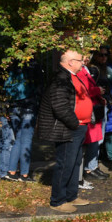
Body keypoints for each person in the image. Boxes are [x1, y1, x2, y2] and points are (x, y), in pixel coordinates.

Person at [37, 50, 92, 212]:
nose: (83, 63)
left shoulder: (72, 76)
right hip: (68, 128)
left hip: (79, 127)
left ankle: (71, 195)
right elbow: (60, 106)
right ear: (70, 62)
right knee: (65, 164)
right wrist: (75, 123)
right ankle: (58, 200)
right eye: (80, 60)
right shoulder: (60, 78)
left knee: (75, 163)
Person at [0, 59, 39, 182]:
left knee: (18, 139)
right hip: (28, 105)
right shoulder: (33, 66)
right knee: (26, 140)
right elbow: (39, 86)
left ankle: (11, 171)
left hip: (13, 106)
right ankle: (24, 174)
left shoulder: (11, 66)